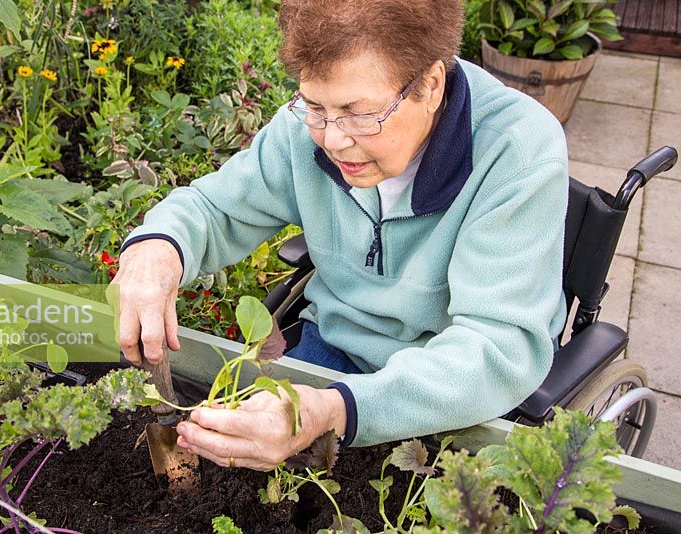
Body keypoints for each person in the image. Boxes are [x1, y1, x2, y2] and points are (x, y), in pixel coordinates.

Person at [113, 0, 568, 471]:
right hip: (333, 351)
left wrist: (336, 409)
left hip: (451, 388)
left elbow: (497, 347)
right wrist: (158, 249)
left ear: (430, 85)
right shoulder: (309, 128)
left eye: (358, 113)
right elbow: (214, 209)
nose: (332, 141)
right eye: (315, 107)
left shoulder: (518, 151)